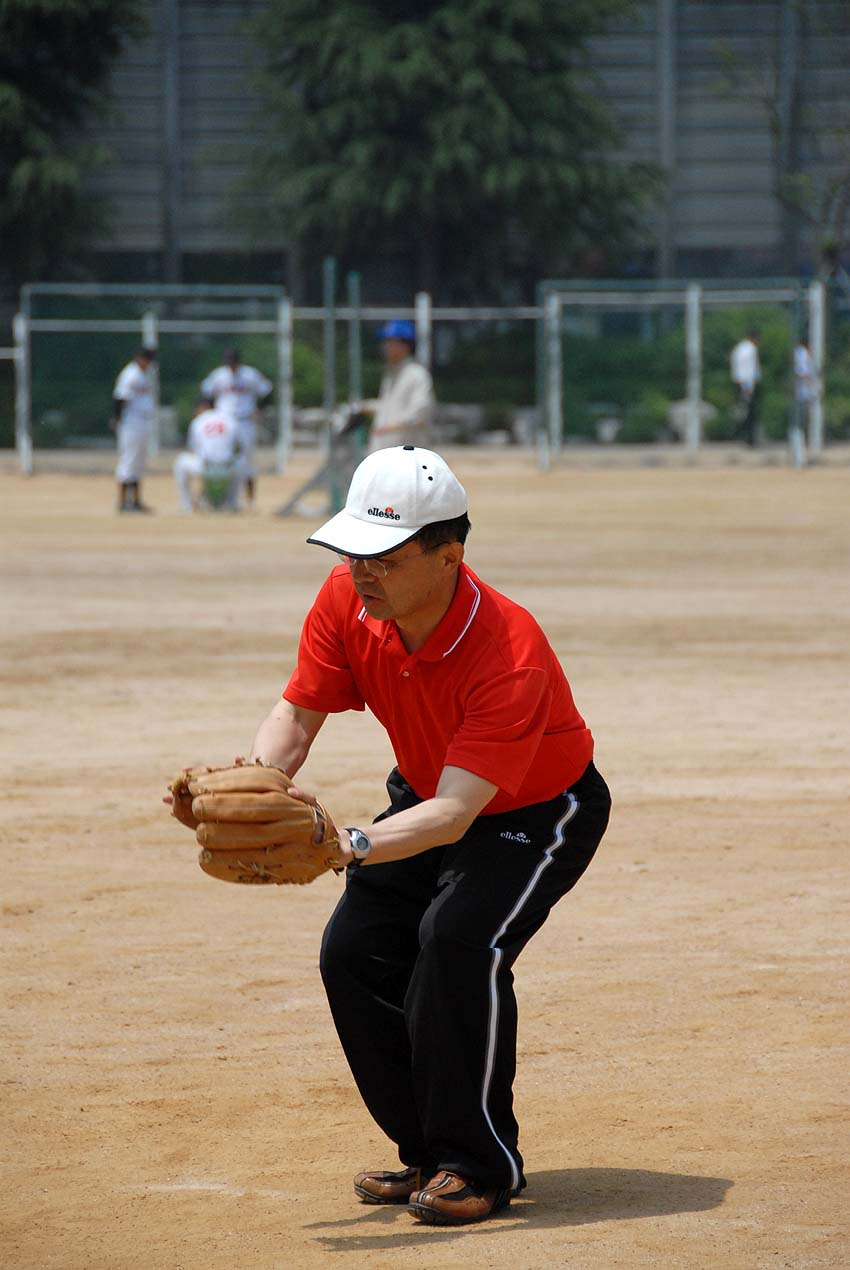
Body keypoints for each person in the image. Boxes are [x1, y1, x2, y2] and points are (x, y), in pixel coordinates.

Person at [244, 445, 612, 1225]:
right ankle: (428, 1155)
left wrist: (345, 844)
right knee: (354, 953)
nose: (361, 570)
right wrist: (256, 786)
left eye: (384, 554)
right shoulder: (348, 601)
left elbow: (457, 814)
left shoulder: (508, 648)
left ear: (451, 555)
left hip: (536, 812)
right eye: (352, 551)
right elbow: (298, 714)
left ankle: (479, 1164)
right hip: (427, 794)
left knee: (455, 941)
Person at [200, 348, 272, 507]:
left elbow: (266, 390)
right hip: (225, 420)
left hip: (245, 420)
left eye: (233, 362)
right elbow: (205, 392)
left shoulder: (250, 374)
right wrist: (211, 412)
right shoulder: (219, 375)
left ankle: (250, 499)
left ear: (239, 361)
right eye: (228, 362)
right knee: (220, 457)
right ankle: (217, 497)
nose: (231, 366)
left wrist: (260, 409)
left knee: (247, 459)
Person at [354, 320, 435, 452]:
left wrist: (391, 427)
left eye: (390, 341)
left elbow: (421, 411)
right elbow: (390, 406)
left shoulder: (416, 374)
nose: (385, 346)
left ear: (405, 345)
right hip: (386, 450)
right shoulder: (391, 374)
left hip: (407, 453)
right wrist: (367, 407)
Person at [173, 398, 242, 513]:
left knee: (180, 462)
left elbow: (194, 449)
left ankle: (186, 506)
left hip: (205, 467)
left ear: (203, 407)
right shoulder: (230, 419)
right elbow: (238, 447)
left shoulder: (198, 421)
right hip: (227, 468)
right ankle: (232, 503)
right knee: (242, 461)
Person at [111, 346, 157, 513]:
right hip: (131, 422)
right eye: (147, 359)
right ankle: (123, 501)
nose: (149, 363)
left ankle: (136, 501)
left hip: (142, 421)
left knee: (139, 461)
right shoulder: (130, 374)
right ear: (140, 358)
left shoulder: (143, 375)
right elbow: (120, 398)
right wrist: (117, 420)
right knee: (129, 459)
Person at [730, 330, 761, 447]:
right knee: (750, 413)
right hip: (747, 384)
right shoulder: (750, 350)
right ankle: (749, 439)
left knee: (745, 411)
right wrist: (748, 387)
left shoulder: (739, 348)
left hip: (739, 382)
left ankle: (745, 437)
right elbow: (748, 370)